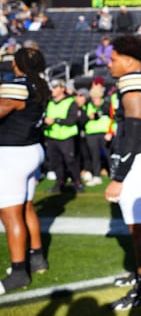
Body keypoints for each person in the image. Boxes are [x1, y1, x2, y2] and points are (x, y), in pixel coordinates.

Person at [104, 35, 141, 310]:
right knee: (137, 226)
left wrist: (118, 177)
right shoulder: (140, 79)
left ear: (128, 60)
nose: (109, 64)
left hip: (138, 157)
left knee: (139, 228)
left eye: (113, 59)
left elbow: (135, 129)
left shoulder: (133, 81)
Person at [0, 47, 50, 295]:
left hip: (12, 152)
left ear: (17, 63)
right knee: (26, 206)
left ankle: (19, 272)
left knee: (10, 214)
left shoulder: (18, 84)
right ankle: (37, 257)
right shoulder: (39, 83)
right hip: (31, 149)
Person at [44, 79, 84, 193]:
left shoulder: (70, 102)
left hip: (66, 137)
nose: (53, 90)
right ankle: (59, 182)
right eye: (52, 87)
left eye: (56, 87)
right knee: (55, 162)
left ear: (62, 88)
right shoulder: (50, 102)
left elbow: (72, 119)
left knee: (70, 161)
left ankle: (77, 183)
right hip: (52, 136)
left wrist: (56, 120)